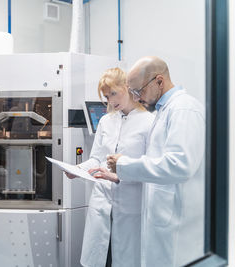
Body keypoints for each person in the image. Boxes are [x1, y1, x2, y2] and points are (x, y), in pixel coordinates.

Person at [95, 56, 205, 267]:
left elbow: (179, 165)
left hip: (178, 225)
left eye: (139, 91)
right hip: (162, 219)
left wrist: (125, 165)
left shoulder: (183, 110)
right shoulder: (164, 111)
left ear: (159, 81)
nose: (136, 97)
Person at [66, 67, 154, 267]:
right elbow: (97, 158)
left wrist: (119, 176)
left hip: (131, 204)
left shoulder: (149, 122)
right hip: (102, 202)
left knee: (125, 259)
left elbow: (151, 167)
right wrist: (78, 169)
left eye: (114, 93)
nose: (110, 100)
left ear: (128, 87)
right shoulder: (106, 121)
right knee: (100, 258)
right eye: (106, 96)